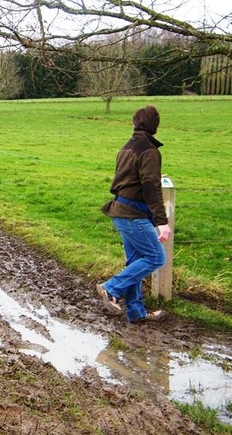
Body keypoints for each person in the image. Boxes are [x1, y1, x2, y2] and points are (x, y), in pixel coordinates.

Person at [98, 105, 171, 324]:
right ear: (155, 128)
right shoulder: (149, 151)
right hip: (133, 214)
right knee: (156, 257)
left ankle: (136, 312)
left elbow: (133, 178)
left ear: (134, 124)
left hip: (122, 210)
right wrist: (162, 221)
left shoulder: (127, 147)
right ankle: (111, 288)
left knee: (135, 263)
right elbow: (150, 186)